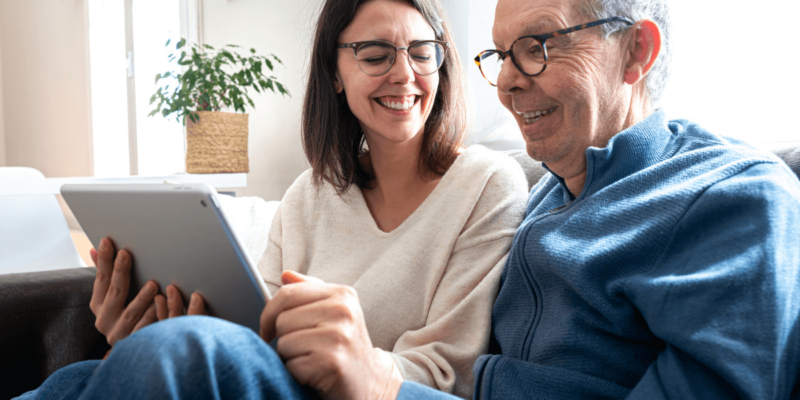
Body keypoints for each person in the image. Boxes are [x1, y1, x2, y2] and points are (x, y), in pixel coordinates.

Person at [15, 0, 528, 399]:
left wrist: (351, 359)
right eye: (375, 55)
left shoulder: (487, 184)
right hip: (262, 375)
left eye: (422, 52)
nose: (404, 74)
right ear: (334, 74)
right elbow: (251, 322)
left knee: (178, 352)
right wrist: (149, 325)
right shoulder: (311, 194)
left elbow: (450, 372)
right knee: (83, 375)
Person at [402, 0, 800, 398]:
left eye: (538, 46)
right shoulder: (544, 194)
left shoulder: (737, 198)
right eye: (502, 55)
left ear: (636, 51)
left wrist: (387, 390)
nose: (506, 82)